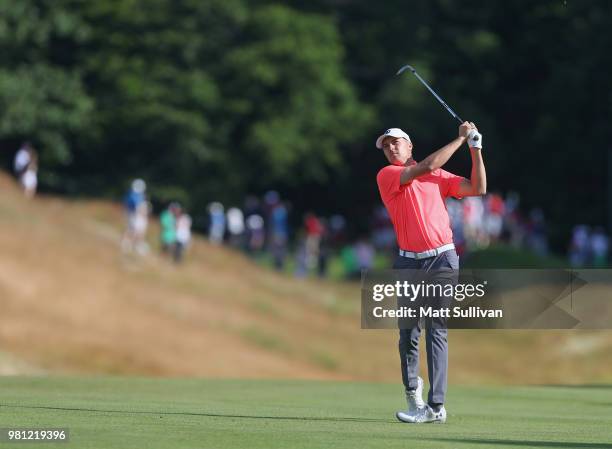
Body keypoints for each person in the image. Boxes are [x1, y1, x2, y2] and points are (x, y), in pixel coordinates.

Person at [375, 123, 486, 424]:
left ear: (409, 146)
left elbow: (477, 188)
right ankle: (414, 394)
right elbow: (427, 165)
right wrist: (461, 138)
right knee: (409, 333)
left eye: (396, 143)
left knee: (437, 328)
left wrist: (475, 149)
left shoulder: (437, 177)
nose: (391, 148)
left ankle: (436, 406)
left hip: (442, 260)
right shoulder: (388, 176)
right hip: (409, 264)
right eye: (386, 146)